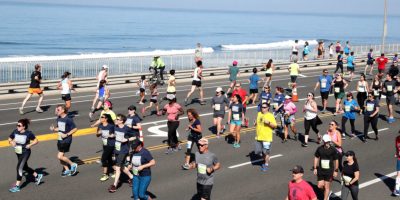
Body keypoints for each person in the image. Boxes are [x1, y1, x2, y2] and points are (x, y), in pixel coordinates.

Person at [8, 119, 43, 193]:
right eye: (17, 125)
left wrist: (30, 145)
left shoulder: (28, 133)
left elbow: (36, 140)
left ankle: (17, 186)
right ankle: (37, 176)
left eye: (19, 125)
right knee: (25, 167)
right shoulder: (15, 131)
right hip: (18, 152)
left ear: (24, 127)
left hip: (25, 152)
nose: (17, 126)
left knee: (19, 168)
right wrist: (11, 142)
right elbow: (9, 138)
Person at [108, 114, 137, 193]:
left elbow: (135, 136)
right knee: (121, 166)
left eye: (117, 119)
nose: (116, 120)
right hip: (116, 149)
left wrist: (127, 140)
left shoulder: (126, 128)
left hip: (123, 150)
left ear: (121, 121)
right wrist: (112, 135)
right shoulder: (115, 127)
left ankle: (114, 185)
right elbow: (113, 134)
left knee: (117, 168)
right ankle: (132, 177)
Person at [50, 104, 78, 177]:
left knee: (59, 156)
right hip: (60, 139)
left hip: (66, 139)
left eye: (58, 109)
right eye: (56, 109)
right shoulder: (58, 118)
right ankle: (67, 170)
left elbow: (75, 129)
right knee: (61, 156)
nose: (56, 111)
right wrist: (53, 129)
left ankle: (73, 164)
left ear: (63, 110)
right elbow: (59, 128)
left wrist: (67, 134)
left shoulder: (68, 119)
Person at [313, 134, 339, 200]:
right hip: (321, 170)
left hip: (329, 171)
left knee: (327, 186)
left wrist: (336, 170)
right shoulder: (320, 149)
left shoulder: (333, 149)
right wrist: (315, 168)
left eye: (328, 142)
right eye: (326, 142)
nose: (327, 143)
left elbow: (336, 160)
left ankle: (325, 198)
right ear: (324, 141)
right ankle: (327, 192)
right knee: (319, 186)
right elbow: (316, 157)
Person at [254, 103, 277, 171]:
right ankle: (266, 157)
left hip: (266, 137)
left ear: (268, 108)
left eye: (264, 107)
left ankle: (266, 164)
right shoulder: (259, 114)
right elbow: (258, 122)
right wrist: (255, 123)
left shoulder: (270, 116)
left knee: (266, 152)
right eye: (262, 107)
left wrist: (269, 123)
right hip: (259, 136)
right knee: (258, 151)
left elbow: (275, 126)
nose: (262, 108)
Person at [96, 113, 115, 182]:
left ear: (106, 119)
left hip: (111, 144)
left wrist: (113, 135)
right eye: (101, 117)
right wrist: (98, 133)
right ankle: (115, 171)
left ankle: (105, 174)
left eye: (102, 117)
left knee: (103, 159)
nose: (101, 118)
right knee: (109, 159)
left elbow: (116, 134)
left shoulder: (111, 126)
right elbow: (97, 135)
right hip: (105, 144)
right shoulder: (100, 126)